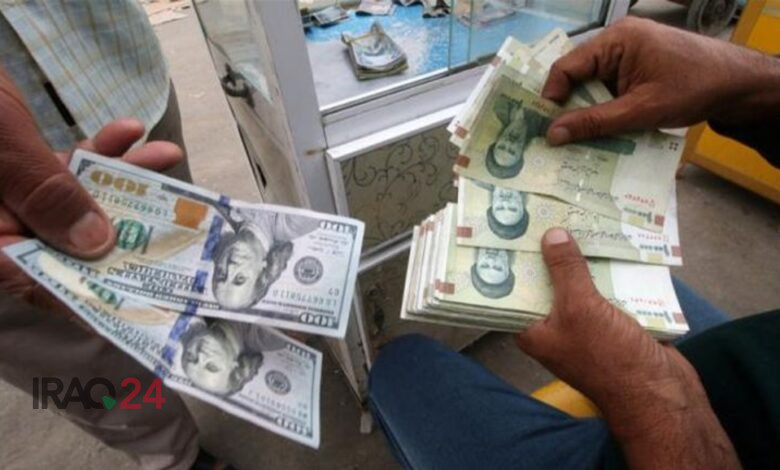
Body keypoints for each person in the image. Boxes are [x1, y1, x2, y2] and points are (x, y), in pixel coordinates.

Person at [370, 17, 780, 469]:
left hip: (692, 443)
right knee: (643, 281)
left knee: (399, 366)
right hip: (749, 360)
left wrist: (653, 393)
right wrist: (752, 84)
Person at [0, 2, 219, 469]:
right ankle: (171, 455)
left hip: (115, 74)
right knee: (64, 352)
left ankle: (198, 319)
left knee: (186, 250)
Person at [211, 207, 319, 310]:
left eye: (221, 273)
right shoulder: (293, 224)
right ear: (263, 271)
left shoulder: (223, 211)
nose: (231, 267)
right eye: (240, 278)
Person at [180, 320, 285, 396]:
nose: (201, 355)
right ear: (237, 368)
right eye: (211, 366)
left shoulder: (204, 318)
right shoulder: (268, 336)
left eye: (191, 357)